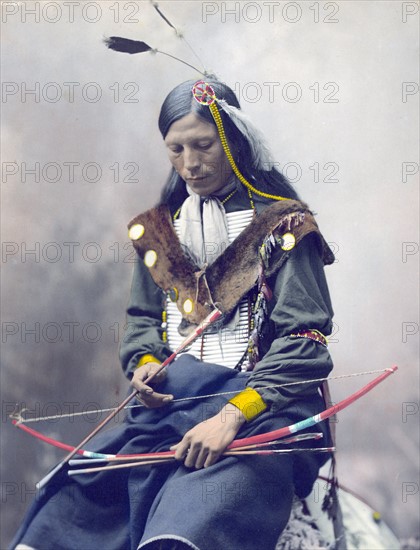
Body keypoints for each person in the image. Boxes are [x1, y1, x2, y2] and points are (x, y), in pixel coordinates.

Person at [11, 78, 335, 550]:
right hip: (170, 409)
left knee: (183, 530)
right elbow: (142, 319)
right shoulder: (158, 233)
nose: (190, 163)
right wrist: (144, 364)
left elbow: (306, 341)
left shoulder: (283, 227)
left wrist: (230, 417)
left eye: (204, 145)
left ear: (234, 141)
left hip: (259, 410)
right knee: (63, 515)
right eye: (175, 149)